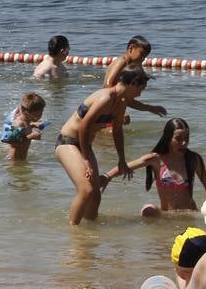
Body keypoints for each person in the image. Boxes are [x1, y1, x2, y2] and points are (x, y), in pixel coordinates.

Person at [55, 68, 150, 226]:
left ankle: (89, 231)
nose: (139, 94)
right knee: (86, 190)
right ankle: (74, 233)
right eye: (140, 89)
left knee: (95, 195)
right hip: (67, 142)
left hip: (85, 145)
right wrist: (86, 159)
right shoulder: (106, 97)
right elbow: (85, 125)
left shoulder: (120, 102)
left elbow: (117, 131)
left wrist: (121, 160)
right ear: (132, 83)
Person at [113, 117, 206, 216]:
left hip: (188, 214)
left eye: (186, 138)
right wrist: (107, 177)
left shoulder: (193, 159)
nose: (184, 143)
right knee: (147, 209)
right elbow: (126, 166)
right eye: (178, 139)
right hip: (166, 215)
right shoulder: (157, 159)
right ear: (168, 139)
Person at [101, 35, 167, 121]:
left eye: (145, 57)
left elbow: (127, 99)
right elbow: (108, 85)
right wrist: (120, 109)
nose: (142, 59)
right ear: (131, 48)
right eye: (141, 55)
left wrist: (151, 108)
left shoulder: (131, 67)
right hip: (106, 106)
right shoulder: (122, 62)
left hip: (111, 105)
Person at [0, 93, 47, 162]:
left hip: (21, 159)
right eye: (38, 114)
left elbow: (22, 132)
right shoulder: (18, 123)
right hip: (13, 161)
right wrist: (31, 136)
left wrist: (33, 125)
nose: (40, 116)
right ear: (27, 112)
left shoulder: (26, 121)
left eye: (41, 113)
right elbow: (11, 142)